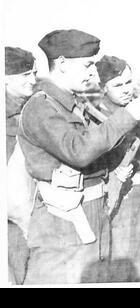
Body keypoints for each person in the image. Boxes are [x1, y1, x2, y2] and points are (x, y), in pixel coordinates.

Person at [18, 29, 140, 284]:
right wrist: (128, 115)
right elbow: (80, 151)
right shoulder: (41, 107)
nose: (92, 72)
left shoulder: (74, 104)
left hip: (92, 217)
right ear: (62, 64)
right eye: (87, 65)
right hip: (65, 224)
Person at [95, 55, 140, 282]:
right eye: (117, 85)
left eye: (128, 82)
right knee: (122, 266)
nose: (126, 90)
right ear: (103, 87)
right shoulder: (99, 116)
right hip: (122, 195)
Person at [5, 46, 37, 285]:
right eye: (25, 74)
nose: (33, 80)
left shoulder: (28, 109)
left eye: (34, 73)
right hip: (15, 218)